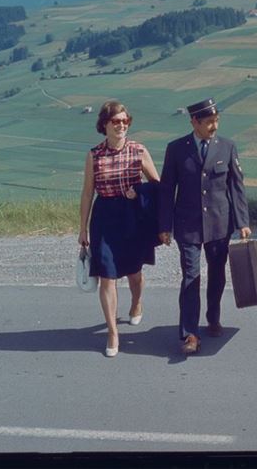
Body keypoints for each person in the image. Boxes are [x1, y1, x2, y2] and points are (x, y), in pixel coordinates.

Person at [157, 97, 251, 356]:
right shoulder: (176, 149)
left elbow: (236, 187)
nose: (214, 126)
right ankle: (190, 333)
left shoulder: (227, 147)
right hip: (187, 225)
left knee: (217, 274)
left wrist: (243, 223)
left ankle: (212, 316)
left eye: (216, 120)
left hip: (220, 224)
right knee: (191, 276)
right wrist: (164, 225)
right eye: (209, 122)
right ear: (194, 122)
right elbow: (167, 190)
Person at [78, 100, 160, 358]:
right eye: (116, 121)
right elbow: (87, 193)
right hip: (104, 217)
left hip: (132, 216)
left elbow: (158, 185)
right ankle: (113, 331)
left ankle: (136, 303)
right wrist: (82, 229)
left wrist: (139, 192)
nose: (122, 125)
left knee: (134, 273)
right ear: (104, 125)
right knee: (107, 276)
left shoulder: (138, 150)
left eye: (125, 121)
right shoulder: (94, 155)